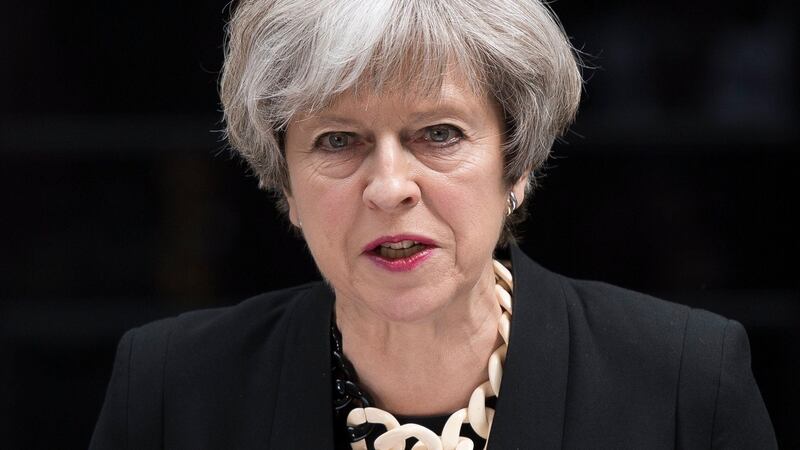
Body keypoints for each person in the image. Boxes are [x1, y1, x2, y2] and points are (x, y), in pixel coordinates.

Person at [90, 0, 777, 448]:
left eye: (438, 133)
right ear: (285, 183)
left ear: (516, 166)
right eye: (337, 140)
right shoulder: (168, 390)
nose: (390, 188)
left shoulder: (687, 382)